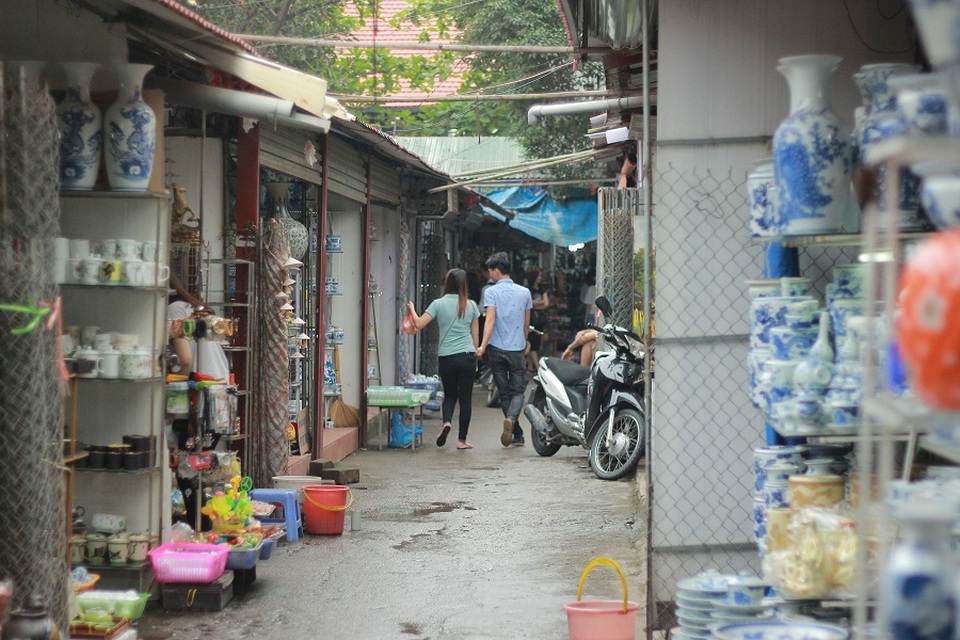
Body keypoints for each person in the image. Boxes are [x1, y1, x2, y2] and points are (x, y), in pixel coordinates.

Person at [406, 268, 480, 450]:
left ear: (447, 283)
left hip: (447, 356)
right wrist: (476, 357)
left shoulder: (438, 304)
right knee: (465, 399)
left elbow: (419, 324)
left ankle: (446, 422)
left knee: (449, 395)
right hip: (467, 355)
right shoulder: (471, 305)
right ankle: (462, 440)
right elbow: (475, 334)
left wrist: (412, 309)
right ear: (464, 285)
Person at [476, 252, 532, 447]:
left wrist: (482, 345)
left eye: (490, 271)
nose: (489, 274)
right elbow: (526, 324)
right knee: (518, 392)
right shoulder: (525, 292)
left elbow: (489, 320)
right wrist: (523, 342)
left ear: (497, 271)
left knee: (504, 393)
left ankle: (516, 432)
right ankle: (514, 425)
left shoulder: (491, 292)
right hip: (517, 349)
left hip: (496, 349)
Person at [525, 267, 550, 372]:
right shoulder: (528, 290)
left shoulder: (542, 289)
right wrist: (540, 303)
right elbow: (530, 304)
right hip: (531, 320)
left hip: (539, 320)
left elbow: (547, 303)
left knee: (536, 342)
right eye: (538, 275)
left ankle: (530, 366)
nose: (540, 278)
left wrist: (536, 304)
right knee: (533, 343)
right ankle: (537, 366)